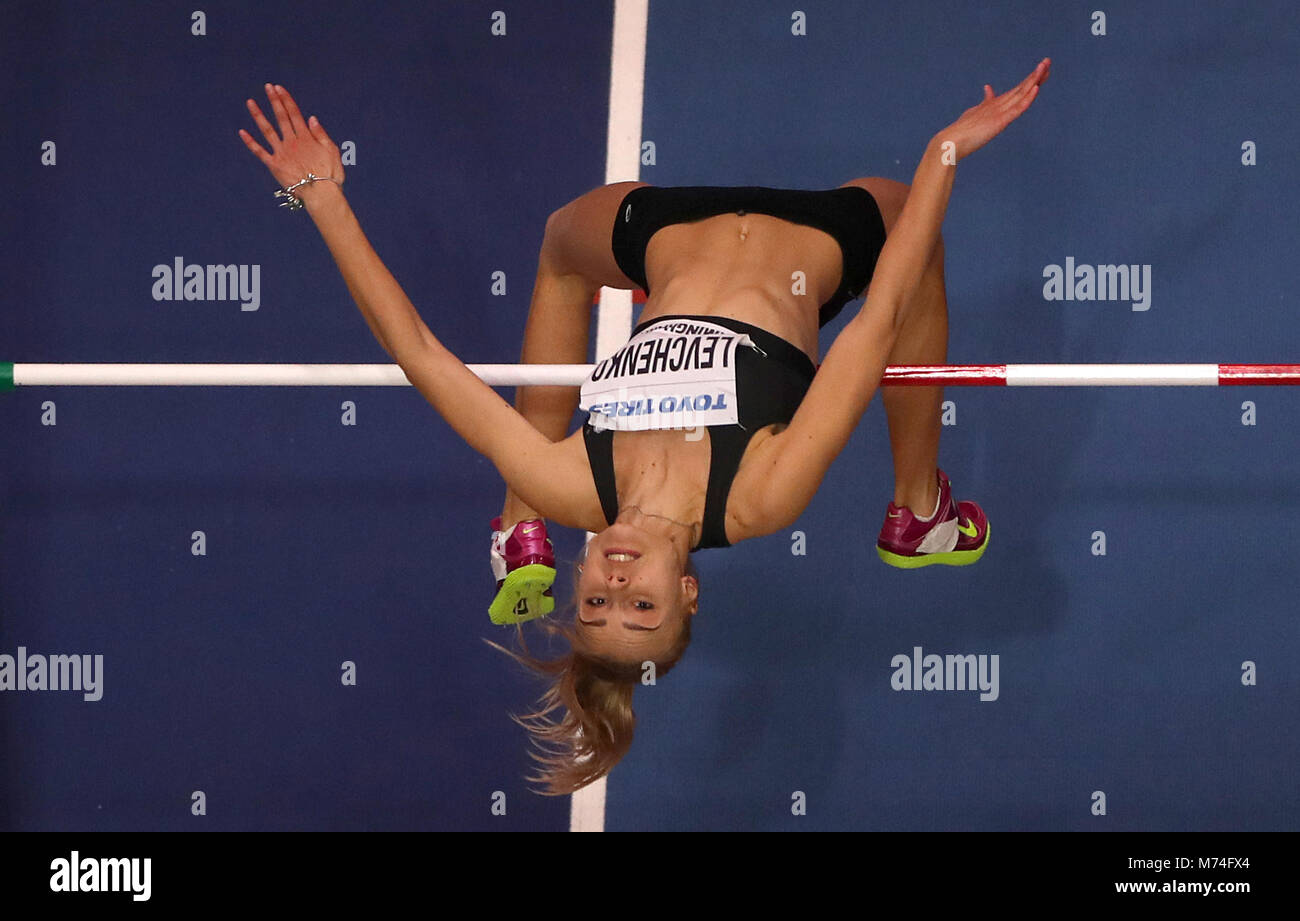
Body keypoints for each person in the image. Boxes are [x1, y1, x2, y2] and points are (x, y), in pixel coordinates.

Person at [237, 58, 1049, 793]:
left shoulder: (567, 480)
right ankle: (915, 507)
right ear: (686, 592)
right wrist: (942, 156)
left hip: (671, 234)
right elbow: (875, 328)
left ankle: (519, 522)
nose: (617, 589)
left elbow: (420, 353)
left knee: (562, 240)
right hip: (824, 237)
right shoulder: (760, 499)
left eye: (595, 606)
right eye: (642, 609)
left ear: (582, 578)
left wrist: (322, 199)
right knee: (917, 233)